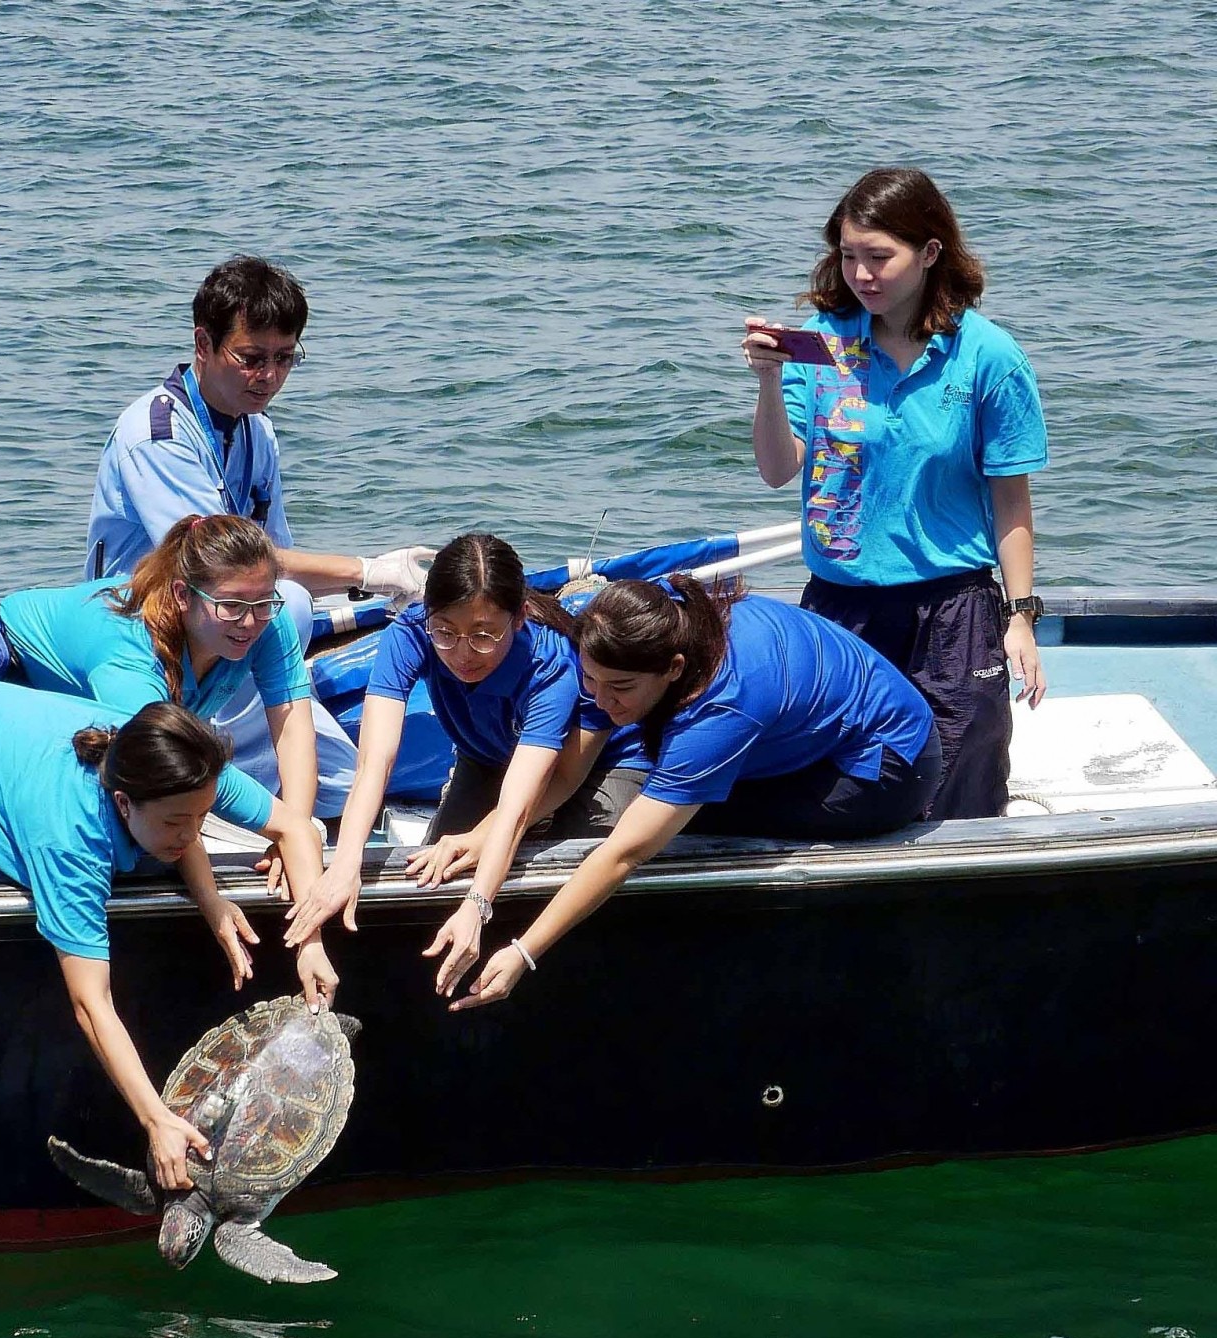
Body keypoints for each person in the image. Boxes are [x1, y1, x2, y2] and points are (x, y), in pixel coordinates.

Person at [0, 679, 339, 1189]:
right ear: (124, 801)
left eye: (201, 816)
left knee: (146, 856)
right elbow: (91, 1002)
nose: (193, 833)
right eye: (177, 821)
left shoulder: (174, 754)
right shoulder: (68, 838)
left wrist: (302, 940)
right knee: (44, 866)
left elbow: (293, 827)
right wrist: (156, 1120)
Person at [449, 576, 941, 1010]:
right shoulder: (655, 617)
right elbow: (571, 760)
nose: (600, 700)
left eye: (619, 688)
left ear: (674, 667)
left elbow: (625, 854)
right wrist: (484, 835)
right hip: (808, 724)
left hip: (883, 766)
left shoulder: (721, 708)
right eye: (590, 681)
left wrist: (525, 950)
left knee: (664, 823)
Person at [743, 165, 1048, 821]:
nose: (861, 274)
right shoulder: (818, 345)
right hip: (840, 606)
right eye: (849, 256)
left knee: (956, 793)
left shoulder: (987, 355)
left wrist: (1021, 615)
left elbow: (1011, 499)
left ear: (930, 252)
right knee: (831, 789)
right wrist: (769, 382)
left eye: (879, 257)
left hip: (954, 609)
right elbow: (777, 469)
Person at [84, 255, 433, 809]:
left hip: (222, 624)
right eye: (250, 359)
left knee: (285, 615)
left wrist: (379, 588)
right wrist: (366, 572)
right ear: (203, 344)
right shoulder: (156, 436)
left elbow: (273, 556)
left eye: (283, 358)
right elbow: (230, 563)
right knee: (284, 606)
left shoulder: (257, 435)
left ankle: (287, 776)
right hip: (148, 630)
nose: (268, 376)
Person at [284, 533, 626, 999]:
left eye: (484, 636)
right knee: (434, 867)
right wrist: (346, 862)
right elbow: (375, 761)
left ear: (519, 618)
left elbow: (523, 805)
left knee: (578, 854)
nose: (463, 654)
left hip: (591, 761)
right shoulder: (410, 633)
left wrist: (479, 902)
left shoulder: (550, 664)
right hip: (485, 755)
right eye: (445, 632)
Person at [0, 513, 322, 885]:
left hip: (114, 703)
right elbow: (168, 760)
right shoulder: (129, 653)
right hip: (4, 678)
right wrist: (281, 824)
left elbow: (293, 731)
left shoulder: (266, 620)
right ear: (182, 595)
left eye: (263, 602)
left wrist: (292, 833)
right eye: (231, 606)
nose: (249, 622)